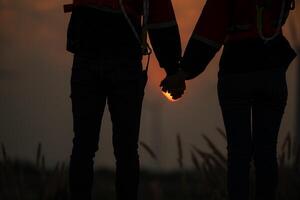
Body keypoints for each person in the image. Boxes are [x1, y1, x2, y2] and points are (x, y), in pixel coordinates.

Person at [164, 0, 297, 199]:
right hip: (272, 70)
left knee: (238, 152)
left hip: (236, 71)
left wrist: (183, 72)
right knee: (267, 150)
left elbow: (209, 31)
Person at [64, 0, 182, 200]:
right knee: (126, 150)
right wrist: (173, 70)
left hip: (87, 55)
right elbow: (161, 15)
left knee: (83, 146)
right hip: (124, 62)